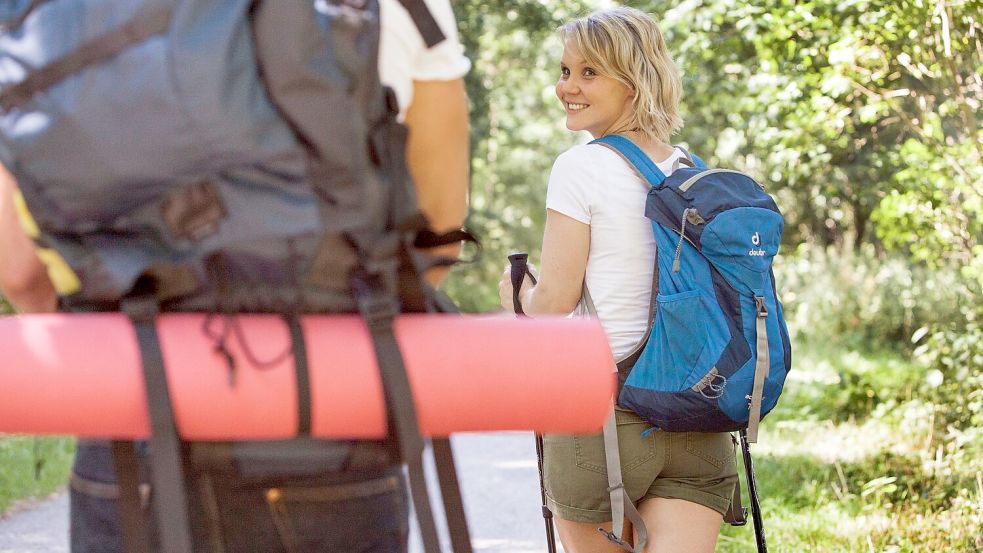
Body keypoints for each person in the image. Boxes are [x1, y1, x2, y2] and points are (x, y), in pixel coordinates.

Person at [0, 0, 470, 551]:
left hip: (132, 426)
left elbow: (22, 272)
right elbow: (435, 233)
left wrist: (101, 358)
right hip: (333, 420)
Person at [498, 7, 737, 553]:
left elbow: (555, 301)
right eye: (564, 71)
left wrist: (518, 295)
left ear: (633, 81)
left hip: (601, 419)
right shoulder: (690, 172)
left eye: (589, 73)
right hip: (697, 415)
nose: (567, 88)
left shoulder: (581, 167)